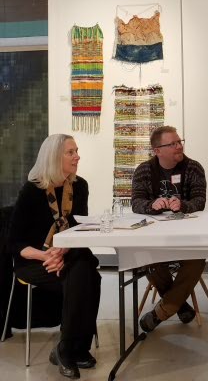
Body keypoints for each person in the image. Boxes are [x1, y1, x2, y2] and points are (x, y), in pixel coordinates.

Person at [9, 134, 101, 380]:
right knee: (86, 275)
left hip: (67, 254)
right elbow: (14, 242)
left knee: (83, 271)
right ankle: (73, 349)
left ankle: (68, 348)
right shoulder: (32, 190)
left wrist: (62, 251)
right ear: (53, 157)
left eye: (76, 151)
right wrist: (47, 255)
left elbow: (78, 228)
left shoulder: (79, 186)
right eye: (70, 152)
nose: (77, 156)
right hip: (34, 260)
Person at [132, 125, 206, 333]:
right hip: (155, 239)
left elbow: (200, 201)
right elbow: (136, 202)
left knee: (197, 259)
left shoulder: (194, 168)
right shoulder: (144, 170)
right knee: (145, 257)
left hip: (187, 238)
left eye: (179, 142)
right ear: (157, 150)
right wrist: (151, 205)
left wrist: (183, 205)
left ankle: (161, 312)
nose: (179, 146)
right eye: (172, 144)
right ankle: (179, 305)